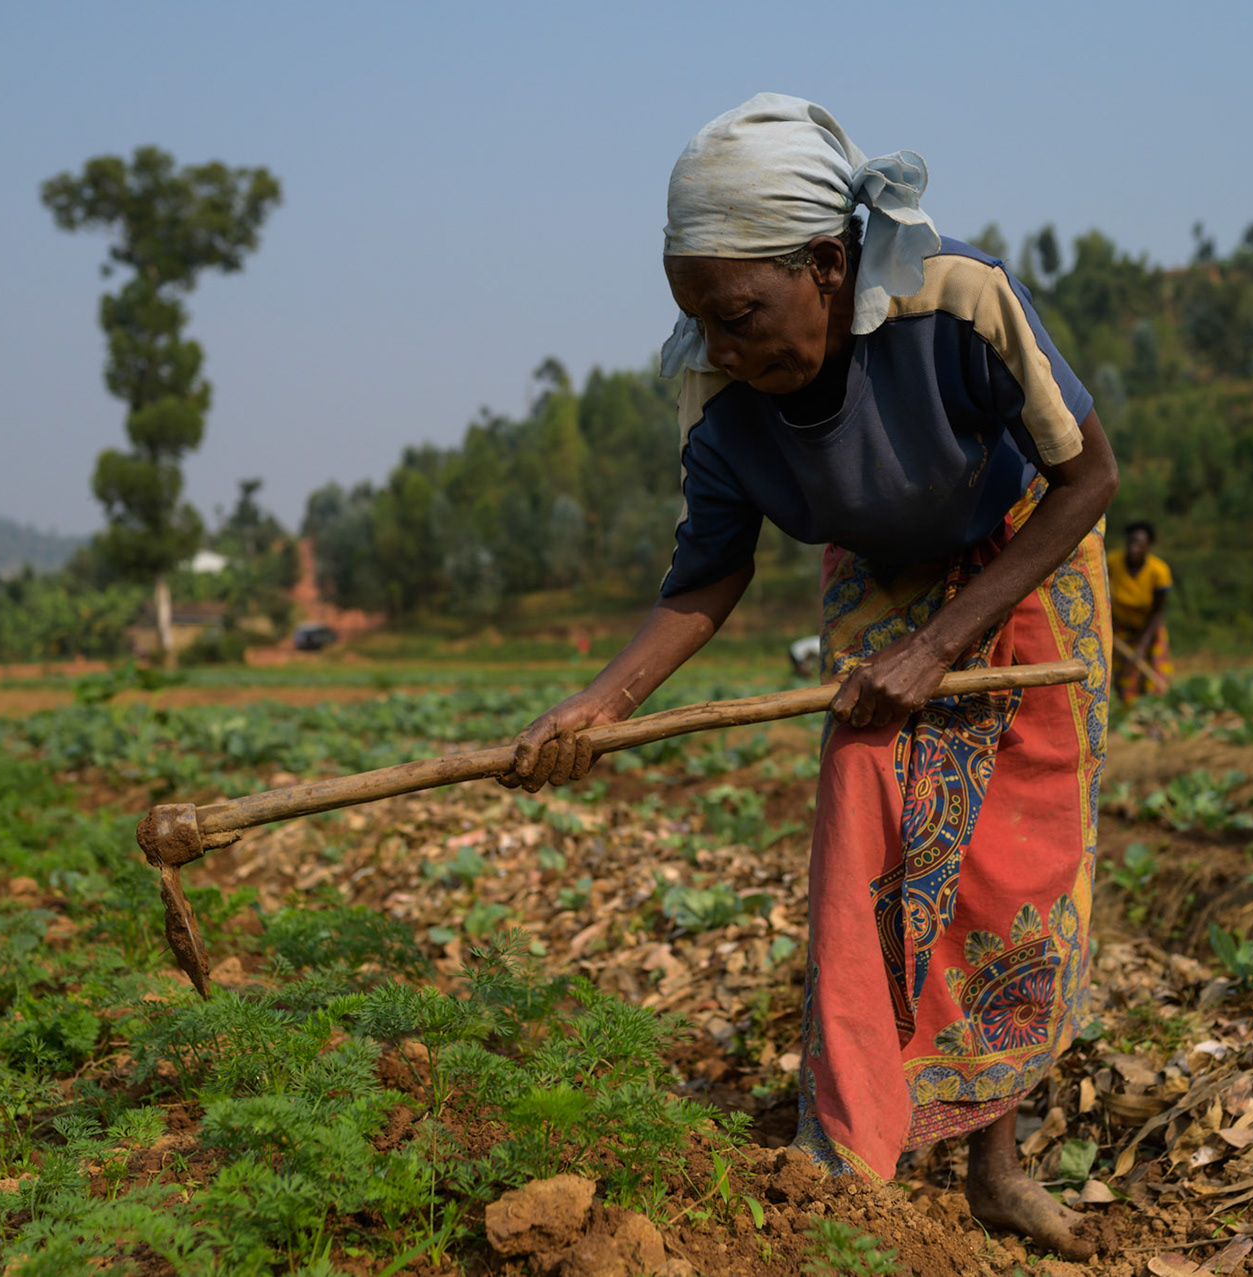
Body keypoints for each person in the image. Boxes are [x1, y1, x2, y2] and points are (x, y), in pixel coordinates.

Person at [502, 94, 1115, 1258]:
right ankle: (847, 1155)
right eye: (700, 321)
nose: (723, 347)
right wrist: (600, 702)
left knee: (1019, 864)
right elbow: (704, 577)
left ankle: (996, 1161)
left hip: (1026, 557)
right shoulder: (720, 398)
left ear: (828, 263)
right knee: (865, 826)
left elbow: (1089, 477)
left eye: (740, 315)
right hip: (880, 577)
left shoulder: (956, 304)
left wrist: (941, 650)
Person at [1107, 520, 1173, 701]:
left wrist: (1142, 644)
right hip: (1121, 624)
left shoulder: (1159, 571)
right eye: (1131, 543)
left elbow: (1158, 611)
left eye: (1140, 544)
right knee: (1125, 670)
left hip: (1150, 625)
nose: (1134, 548)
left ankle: (1157, 703)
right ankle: (1127, 705)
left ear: (1148, 546)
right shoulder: (1113, 562)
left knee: (1154, 668)